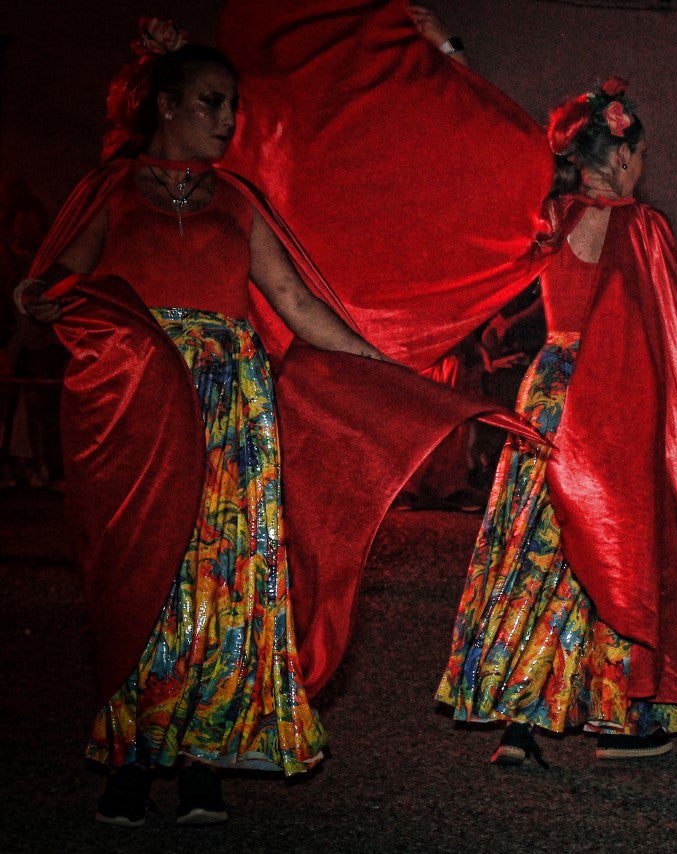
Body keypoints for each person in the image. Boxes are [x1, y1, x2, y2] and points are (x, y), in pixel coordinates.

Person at [15, 19, 416, 827]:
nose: (228, 120)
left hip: (232, 404)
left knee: (226, 579)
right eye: (212, 103)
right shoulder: (113, 190)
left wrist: (382, 365)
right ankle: (132, 757)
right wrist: (36, 299)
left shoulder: (237, 199)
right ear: (166, 104)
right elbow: (54, 283)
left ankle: (203, 760)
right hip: (143, 407)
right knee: (144, 578)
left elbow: (297, 306)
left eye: (232, 106)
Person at [436, 77, 677, 767]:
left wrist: (450, 59)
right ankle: (617, 716)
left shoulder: (553, 219)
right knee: (614, 546)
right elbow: (670, 336)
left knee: (540, 546)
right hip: (614, 399)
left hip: (550, 392)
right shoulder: (645, 227)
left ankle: (520, 722)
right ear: (625, 156)